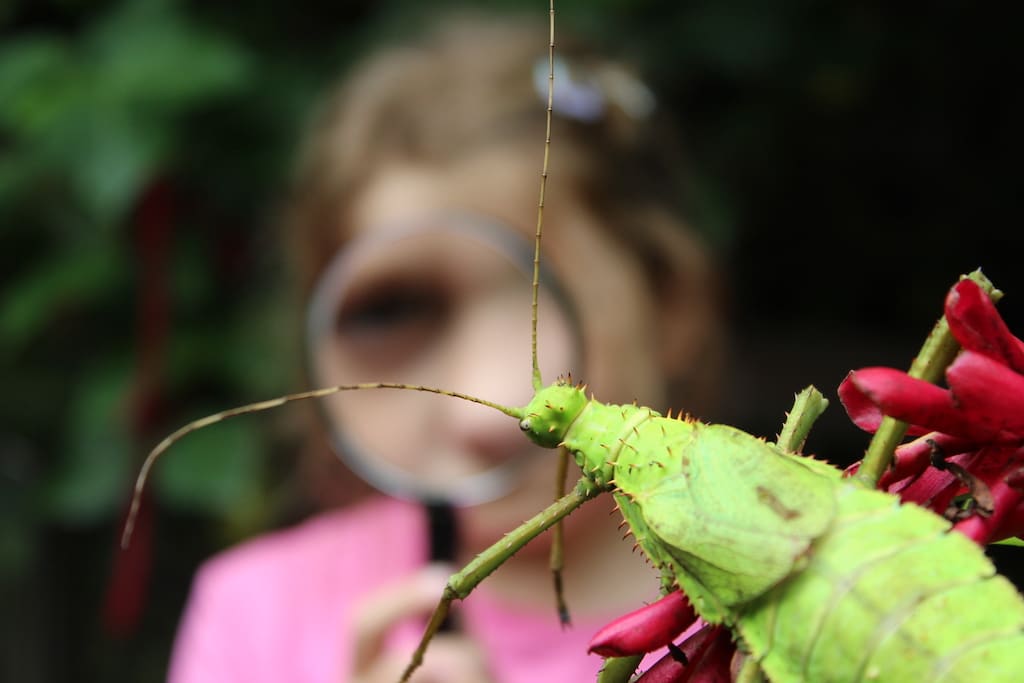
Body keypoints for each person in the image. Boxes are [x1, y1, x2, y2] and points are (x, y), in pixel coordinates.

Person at [167, 13, 723, 683]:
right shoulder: (255, 612)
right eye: (390, 312)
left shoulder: (822, 588)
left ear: (672, 304)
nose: (489, 411)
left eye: (540, 292)